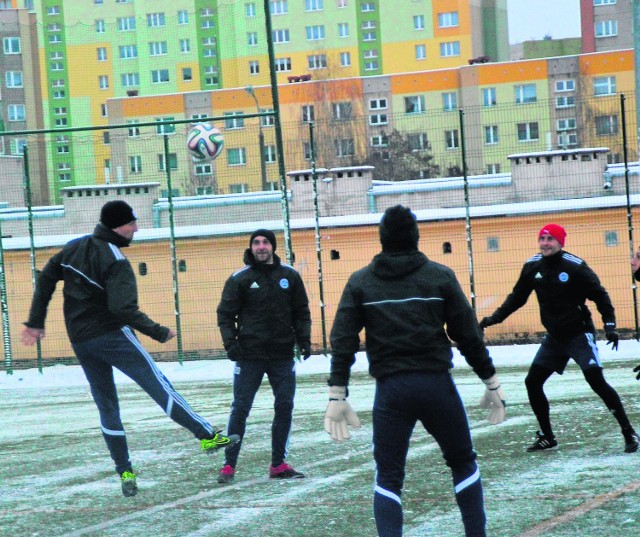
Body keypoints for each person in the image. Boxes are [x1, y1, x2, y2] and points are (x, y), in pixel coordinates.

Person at [21, 200, 239, 497]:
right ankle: (207, 436)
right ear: (117, 226)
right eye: (131, 223)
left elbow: (46, 278)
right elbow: (122, 309)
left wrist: (36, 320)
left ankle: (124, 469)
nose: (136, 228)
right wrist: (158, 332)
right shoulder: (116, 261)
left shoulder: (74, 247)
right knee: (159, 386)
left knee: (106, 404)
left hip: (82, 341)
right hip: (112, 335)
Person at [325, 205, 506, 537]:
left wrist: (338, 391)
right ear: (415, 237)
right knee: (463, 462)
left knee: (389, 476)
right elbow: (467, 334)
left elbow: (343, 340)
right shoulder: (439, 276)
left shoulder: (360, 282)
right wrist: (490, 380)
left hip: (391, 391)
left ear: (382, 239)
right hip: (436, 385)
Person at [480, 223, 639, 454]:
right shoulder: (532, 266)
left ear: (560, 242)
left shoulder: (575, 266)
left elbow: (600, 294)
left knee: (596, 381)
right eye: (542, 238)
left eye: (550, 239)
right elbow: (517, 298)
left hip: (579, 334)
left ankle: (628, 431)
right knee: (532, 382)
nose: (545, 243)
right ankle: (547, 437)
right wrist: (493, 319)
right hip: (555, 338)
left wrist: (610, 325)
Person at [216, 228, 312, 484]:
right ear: (251, 247)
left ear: (273, 247)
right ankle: (228, 466)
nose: (261, 247)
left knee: (284, 406)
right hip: (249, 356)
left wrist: (304, 340)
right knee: (240, 408)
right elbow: (225, 315)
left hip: (282, 355)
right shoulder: (240, 279)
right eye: (256, 243)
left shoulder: (289, 277)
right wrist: (231, 344)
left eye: (265, 242)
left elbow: (301, 311)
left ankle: (278, 464)